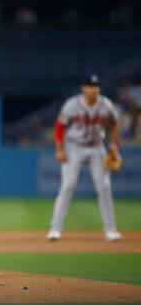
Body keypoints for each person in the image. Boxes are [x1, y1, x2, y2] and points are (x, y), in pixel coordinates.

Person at [47, 74, 122, 241]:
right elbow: (60, 125)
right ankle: (55, 229)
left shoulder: (105, 104)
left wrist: (113, 145)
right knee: (67, 186)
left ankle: (110, 230)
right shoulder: (72, 105)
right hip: (73, 146)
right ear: (83, 88)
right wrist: (59, 148)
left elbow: (116, 122)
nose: (94, 89)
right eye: (90, 85)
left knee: (104, 187)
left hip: (96, 147)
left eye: (96, 86)